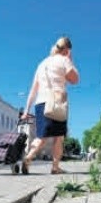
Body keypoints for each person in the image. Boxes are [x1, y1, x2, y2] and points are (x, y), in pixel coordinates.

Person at [21, 36, 80, 174]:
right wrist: (70, 60)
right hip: (57, 102)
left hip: (41, 103)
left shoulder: (42, 64)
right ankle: (55, 167)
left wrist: (26, 110)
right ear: (67, 49)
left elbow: (33, 90)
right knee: (59, 136)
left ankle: (28, 157)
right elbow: (75, 80)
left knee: (41, 136)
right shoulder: (64, 60)